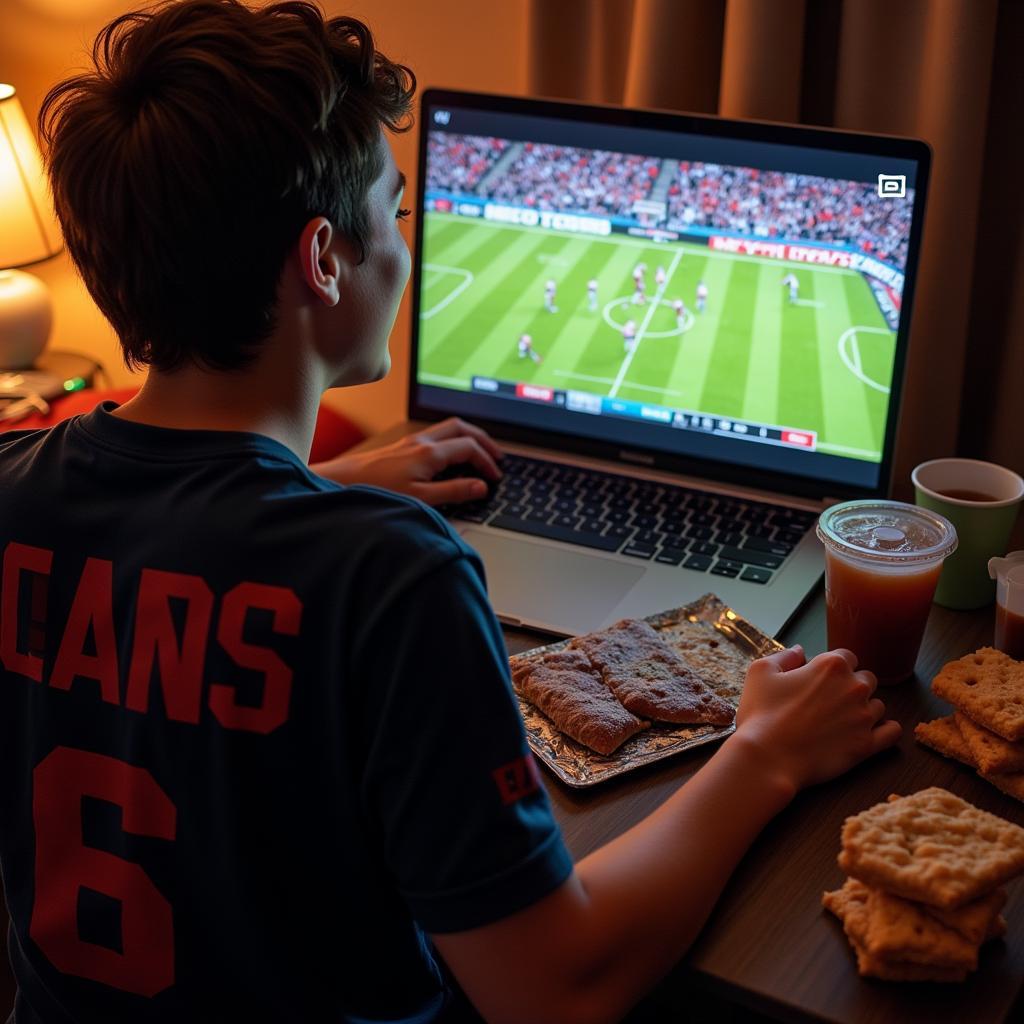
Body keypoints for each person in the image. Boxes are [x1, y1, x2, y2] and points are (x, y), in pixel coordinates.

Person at [0, 3, 901, 1022]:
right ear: (324, 258)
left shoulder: (15, 486)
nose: (405, 248)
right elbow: (554, 987)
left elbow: (146, 565)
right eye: (393, 211)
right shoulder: (389, 575)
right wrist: (763, 753)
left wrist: (318, 491)